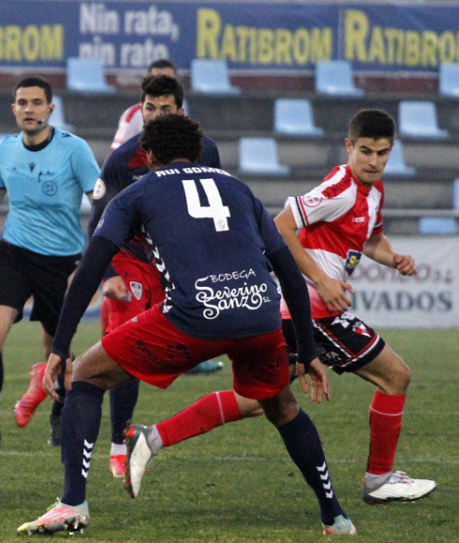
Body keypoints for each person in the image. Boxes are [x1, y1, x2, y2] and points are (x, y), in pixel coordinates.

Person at [18, 114, 356, 536]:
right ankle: (335, 518)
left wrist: (59, 348)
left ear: (149, 155)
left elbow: (91, 269)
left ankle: (72, 503)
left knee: (86, 373)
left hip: (193, 316)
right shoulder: (239, 189)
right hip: (260, 314)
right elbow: (288, 270)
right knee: (283, 407)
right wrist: (306, 351)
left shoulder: (138, 191)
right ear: (197, 152)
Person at [130, 108, 437, 505]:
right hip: (316, 311)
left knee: (260, 400)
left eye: (382, 153)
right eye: (365, 151)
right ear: (349, 146)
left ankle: (152, 437)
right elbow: (281, 226)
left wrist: (394, 258)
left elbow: (371, 240)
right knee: (396, 376)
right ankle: (379, 480)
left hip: (301, 312)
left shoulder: (373, 193)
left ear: (391, 151)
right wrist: (323, 281)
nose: (373, 161)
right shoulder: (341, 188)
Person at [0, 76, 99, 449]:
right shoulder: (4, 150)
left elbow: (103, 206)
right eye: (22, 103)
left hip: (62, 262)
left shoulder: (75, 151)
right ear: (14, 109)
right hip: (15, 255)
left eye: (36, 102)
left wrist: (91, 262)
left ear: (50, 109)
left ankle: (59, 419)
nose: (29, 109)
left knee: (56, 350)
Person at [87, 74, 222, 478]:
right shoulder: (120, 160)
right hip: (133, 259)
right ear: (140, 112)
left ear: (180, 112)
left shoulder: (207, 152)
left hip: (178, 260)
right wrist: (107, 272)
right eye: (150, 108)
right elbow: (97, 219)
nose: (157, 115)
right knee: (128, 347)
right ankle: (117, 443)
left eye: (166, 108)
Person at [109, 59, 177, 151]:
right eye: (157, 79)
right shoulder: (134, 114)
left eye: (168, 80)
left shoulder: (180, 112)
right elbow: (116, 152)